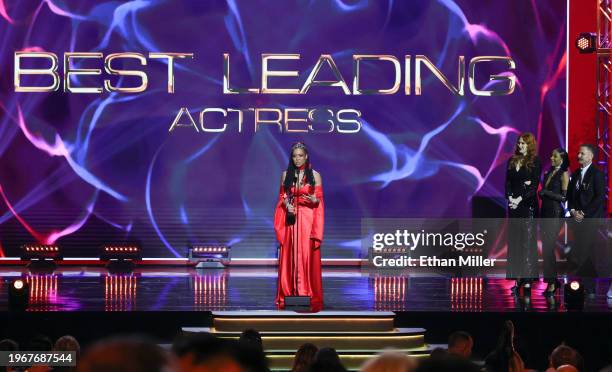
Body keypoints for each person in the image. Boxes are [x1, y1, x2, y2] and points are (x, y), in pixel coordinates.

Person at [274, 142, 324, 309]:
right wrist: (286, 205)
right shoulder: (286, 175)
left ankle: (306, 292)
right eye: (295, 156)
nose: (297, 159)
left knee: (306, 254)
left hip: (307, 219)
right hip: (292, 219)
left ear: (306, 156)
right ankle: (289, 291)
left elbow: (319, 199)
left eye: (300, 155)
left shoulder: (315, 175)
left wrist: (315, 200)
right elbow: (282, 196)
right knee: (290, 253)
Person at [566, 144, 606, 295]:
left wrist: (583, 212)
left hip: (590, 220)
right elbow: (570, 196)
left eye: (582, 153)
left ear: (590, 156)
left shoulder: (597, 174)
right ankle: (580, 284)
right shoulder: (575, 174)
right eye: (578, 153)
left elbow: (599, 198)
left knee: (589, 253)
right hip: (576, 220)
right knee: (579, 253)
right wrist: (573, 211)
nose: (579, 156)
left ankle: (589, 287)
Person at [505, 133, 541, 294]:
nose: (520, 145)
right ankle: (518, 279)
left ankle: (527, 280)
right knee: (515, 242)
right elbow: (507, 183)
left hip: (527, 206)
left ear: (529, 145)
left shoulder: (535, 161)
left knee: (527, 243)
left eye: (524, 143)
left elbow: (533, 186)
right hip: (513, 206)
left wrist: (519, 198)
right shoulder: (511, 161)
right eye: (519, 143)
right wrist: (510, 198)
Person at [539, 148, 570, 296]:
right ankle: (552, 281)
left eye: (555, 156)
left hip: (555, 213)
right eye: (551, 155)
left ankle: (552, 282)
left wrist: (547, 193)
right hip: (545, 212)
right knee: (546, 248)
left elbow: (565, 197)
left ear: (561, 159)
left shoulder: (564, 173)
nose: (551, 157)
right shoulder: (549, 172)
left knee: (548, 248)